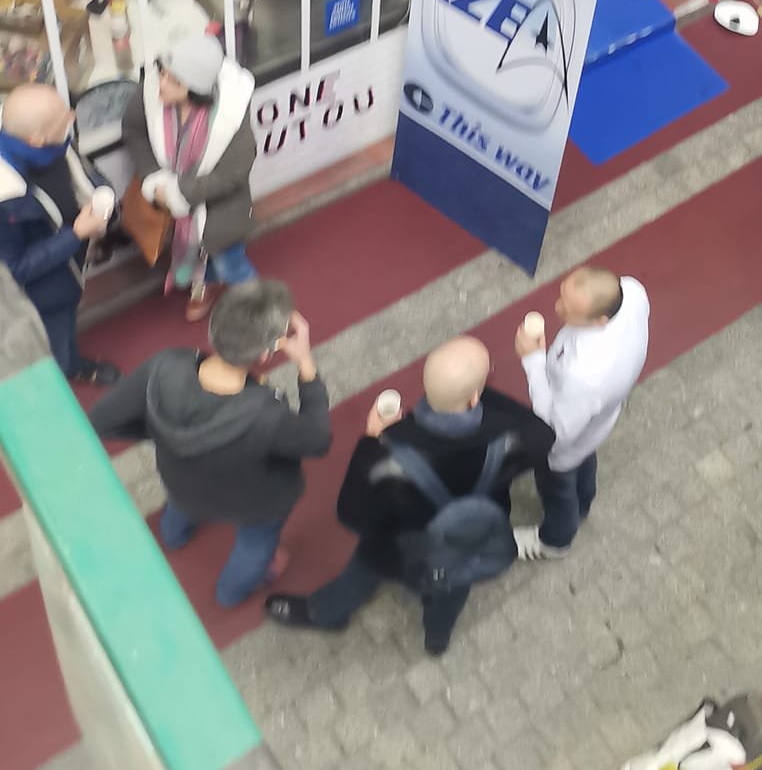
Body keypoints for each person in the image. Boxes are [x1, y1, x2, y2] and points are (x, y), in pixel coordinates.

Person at [265, 336, 553, 655]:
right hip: (464, 538)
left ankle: (326, 613)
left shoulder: (385, 452)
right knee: (452, 588)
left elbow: (351, 515)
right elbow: (544, 434)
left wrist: (371, 440)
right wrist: (479, 392)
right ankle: (437, 637)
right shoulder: (513, 437)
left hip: (396, 547)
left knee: (361, 571)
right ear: (475, 396)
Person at [91, 281, 327, 607]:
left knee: (180, 507)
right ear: (264, 353)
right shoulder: (266, 415)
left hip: (182, 481)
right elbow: (318, 439)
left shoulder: (165, 366)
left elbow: (101, 421)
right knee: (255, 546)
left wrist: (159, 433)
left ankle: (174, 537)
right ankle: (229, 594)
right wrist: (306, 365)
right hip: (254, 501)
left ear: (214, 328)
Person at [0, 82, 120, 384]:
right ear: (37, 138)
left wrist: (98, 189)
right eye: (63, 117)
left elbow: (74, 163)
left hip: (65, 270)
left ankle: (70, 362)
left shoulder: (32, 134)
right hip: (42, 291)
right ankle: (61, 381)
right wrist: (76, 235)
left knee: (64, 323)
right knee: (54, 339)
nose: (72, 116)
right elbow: (9, 269)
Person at [512, 266, 650, 560]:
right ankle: (584, 503)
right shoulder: (632, 291)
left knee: (558, 489)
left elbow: (555, 435)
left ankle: (554, 541)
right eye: (562, 296)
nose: (556, 307)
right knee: (585, 464)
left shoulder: (585, 376)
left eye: (569, 309)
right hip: (597, 421)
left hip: (567, 443)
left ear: (600, 320)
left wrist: (533, 361)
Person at [122, 32, 258, 321]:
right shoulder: (151, 93)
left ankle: (262, 312)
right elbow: (134, 130)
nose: (161, 83)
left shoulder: (231, 117)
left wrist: (179, 194)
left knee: (231, 265)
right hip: (177, 209)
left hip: (219, 208)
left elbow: (234, 172)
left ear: (196, 88)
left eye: (175, 81)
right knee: (195, 248)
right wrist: (153, 179)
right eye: (162, 73)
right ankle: (203, 282)